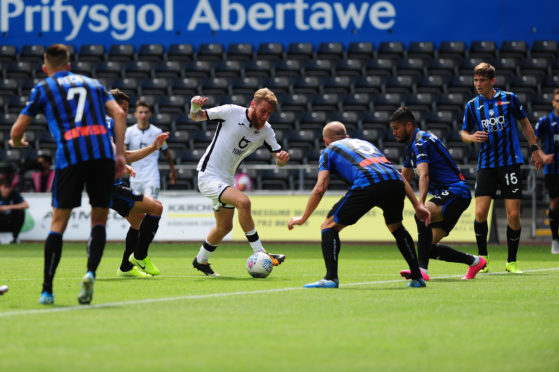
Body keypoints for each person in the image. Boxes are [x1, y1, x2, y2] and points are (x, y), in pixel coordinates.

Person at [9, 43, 126, 305]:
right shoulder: (93, 83)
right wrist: (119, 153)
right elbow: (118, 112)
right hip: (102, 153)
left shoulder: (44, 88)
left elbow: (16, 132)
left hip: (70, 155)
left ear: (45, 67)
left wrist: (18, 143)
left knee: (58, 224)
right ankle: (90, 272)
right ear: (69, 64)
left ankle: (47, 290)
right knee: (99, 219)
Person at [288, 121, 431, 288]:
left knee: (328, 226)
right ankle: (417, 277)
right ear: (347, 136)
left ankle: (330, 278)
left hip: (368, 183)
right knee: (396, 227)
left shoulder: (328, 150)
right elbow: (398, 175)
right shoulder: (365, 143)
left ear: (326, 141)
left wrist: (303, 218)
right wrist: (417, 205)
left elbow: (320, 188)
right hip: (394, 182)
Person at [189, 88, 290, 275]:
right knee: (244, 202)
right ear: (253, 104)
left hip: (226, 179)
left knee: (225, 226)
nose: (265, 116)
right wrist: (195, 106)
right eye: (263, 111)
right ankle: (261, 252)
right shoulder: (231, 112)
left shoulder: (266, 131)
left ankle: (201, 261)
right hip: (208, 175)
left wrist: (281, 160)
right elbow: (197, 116)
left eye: (269, 113)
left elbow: (278, 159)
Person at [460, 62, 545, 274]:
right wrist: (471, 137)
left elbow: (525, 123)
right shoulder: (472, 105)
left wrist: (535, 149)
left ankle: (512, 261)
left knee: (513, 215)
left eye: (482, 80)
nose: (478, 84)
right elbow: (463, 133)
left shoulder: (509, 99)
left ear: (492, 81)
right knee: (480, 213)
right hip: (486, 164)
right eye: (476, 80)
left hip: (509, 163)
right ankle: (482, 259)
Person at [390, 107, 487, 280]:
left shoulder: (419, 142)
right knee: (428, 247)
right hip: (456, 195)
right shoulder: (414, 146)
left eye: (397, 128)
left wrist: (420, 204)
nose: (394, 133)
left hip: (455, 191)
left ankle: (421, 271)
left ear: (409, 125)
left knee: (421, 216)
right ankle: (474, 262)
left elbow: (424, 174)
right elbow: (404, 179)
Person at [108, 89, 168, 277]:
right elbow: (120, 154)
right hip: (109, 186)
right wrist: (124, 163)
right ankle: (140, 256)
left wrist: (152, 148)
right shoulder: (107, 121)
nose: (125, 113)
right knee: (156, 207)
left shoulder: (110, 123)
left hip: (112, 184)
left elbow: (121, 155)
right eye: (123, 108)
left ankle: (126, 267)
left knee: (137, 219)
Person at [124, 100, 177, 199]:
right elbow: (123, 154)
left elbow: (166, 153)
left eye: (146, 112)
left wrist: (172, 171)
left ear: (150, 114)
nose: (143, 115)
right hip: (135, 178)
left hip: (151, 178)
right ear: (135, 114)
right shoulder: (129, 132)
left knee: (151, 207)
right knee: (136, 212)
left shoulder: (157, 132)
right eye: (140, 112)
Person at [534, 88, 559, 254]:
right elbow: (533, 141)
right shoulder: (545, 121)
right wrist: (542, 156)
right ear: (553, 102)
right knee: (554, 204)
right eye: (558, 101)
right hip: (553, 170)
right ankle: (555, 240)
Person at [0, 178, 29, 243]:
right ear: (0, 187)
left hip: (10, 221)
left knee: (21, 212)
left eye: (9, 187)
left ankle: (14, 238)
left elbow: (26, 205)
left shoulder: (14, 193)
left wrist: (8, 207)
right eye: (5, 187)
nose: (7, 190)